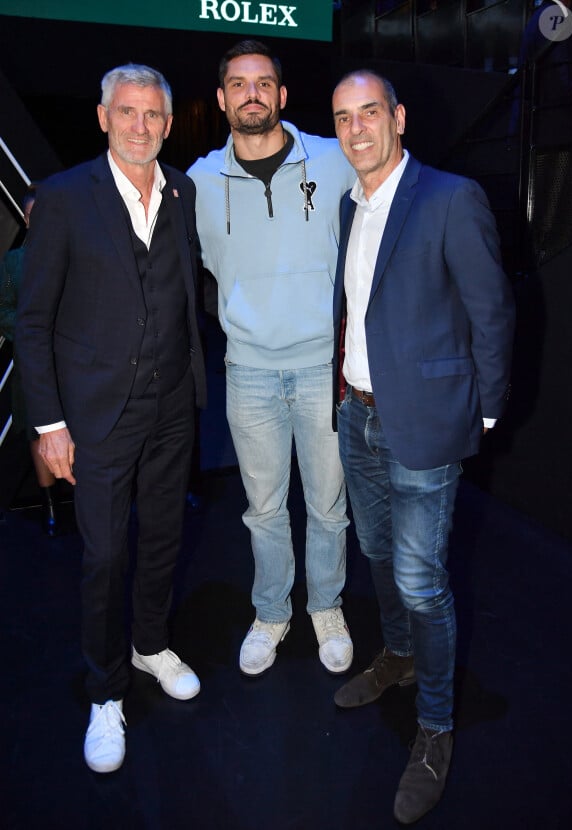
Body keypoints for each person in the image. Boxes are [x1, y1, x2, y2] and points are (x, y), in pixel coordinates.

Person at [330, 70, 515, 824]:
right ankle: (399, 655)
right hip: (357, 415)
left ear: (398, 117)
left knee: (421, 578)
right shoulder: (350, 206)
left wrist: (487, 412)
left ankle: (435, 725)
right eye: (342, 118)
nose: (356, 129)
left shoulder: (449, 196)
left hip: (426, 423)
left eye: (370, 112)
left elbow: (491, 310)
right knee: (374, 547)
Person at [15, 64, 207, 773]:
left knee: (162, 537)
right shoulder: (63, 199)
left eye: (153, 114)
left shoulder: (183, 190)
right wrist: (48, 425)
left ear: (166, 120)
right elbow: (33, 324)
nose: (141, 126)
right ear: (103, 118)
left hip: (170, 407)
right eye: (127, 112)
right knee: (103, 555)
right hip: (95, 416)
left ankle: (150, 644)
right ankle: (104, 691)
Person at [188, 40, 355, 677]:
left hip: (322, 369)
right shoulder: (200, 181)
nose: (251, 93)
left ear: (281, 96)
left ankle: (327, 609)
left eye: (263, 83)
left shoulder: (335, 160)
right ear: (223, 97)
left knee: (327, 506)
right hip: (249, 370)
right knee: (262, 509)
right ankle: (271, 613)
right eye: (238, 84)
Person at [0, 185, 61, 536]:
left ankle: (86, 505)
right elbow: (4, 309)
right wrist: (27, 331)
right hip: (31, 366)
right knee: (38, 436)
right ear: (25, 219)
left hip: (68, 364)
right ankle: (49, 507)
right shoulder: (13, 263)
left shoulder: (70, 254)